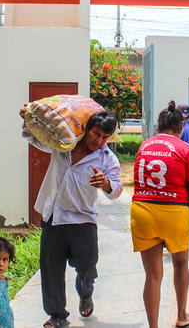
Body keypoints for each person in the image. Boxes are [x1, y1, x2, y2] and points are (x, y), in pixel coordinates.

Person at [20, 109, 123, 328]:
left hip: (83, 220)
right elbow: (34, 138)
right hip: (53, 217)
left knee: (88, 267)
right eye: (96, 134)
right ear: (87, 129)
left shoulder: (107, 158)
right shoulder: (62, 144)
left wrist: (105, 183)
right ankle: (57, 315)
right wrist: (28, 120)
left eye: (105, 137)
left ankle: (86, 293)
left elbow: (116, 189)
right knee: (51, 270)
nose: (99, 140)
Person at [131, 100, 189, 328]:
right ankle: (182, 317)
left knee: (153, 276)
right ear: (181, 128)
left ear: (158, 126)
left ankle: (153, 326)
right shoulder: (185, 150)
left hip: (143, 210)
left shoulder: (144, 146)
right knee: (180, 264)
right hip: (174, 212)